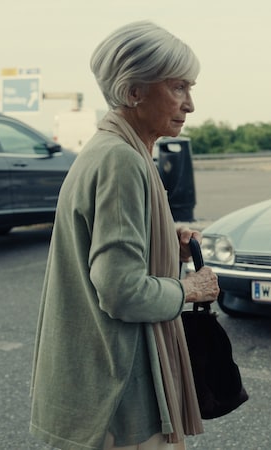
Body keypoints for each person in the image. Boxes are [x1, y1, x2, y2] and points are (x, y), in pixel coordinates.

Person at [30, 21, 220, 450]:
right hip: (117, 391)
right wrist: (189, 288)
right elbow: (121, 291)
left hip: (97, 380)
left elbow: (104, 249)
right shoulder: (122, 161)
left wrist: (163, 241)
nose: (190, 104)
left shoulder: (108, 149)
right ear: (134, 92)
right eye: (178, 87)